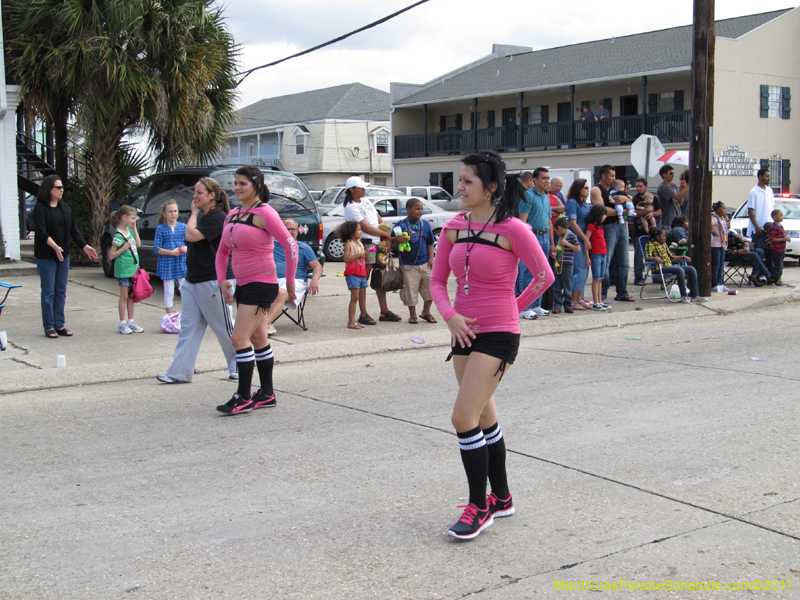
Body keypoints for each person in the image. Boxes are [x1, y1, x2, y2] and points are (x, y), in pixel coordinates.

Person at [430, 150, 553, 541]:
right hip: (463, 332)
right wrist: (450, 315)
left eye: (468, 181)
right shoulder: (453, 227)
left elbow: (544, 277)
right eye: (460, 180)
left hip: (499, 332)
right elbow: (437, 281)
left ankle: (479, 507)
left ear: (491, 187)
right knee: (483, 417)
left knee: (462, 417)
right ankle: (501, 497)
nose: (460, 187)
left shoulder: (514, 229)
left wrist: (511, 310)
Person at [214, 165, 298, 415]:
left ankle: (243, 396)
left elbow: (291, 246)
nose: (237, 188)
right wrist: (222, 280)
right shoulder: (233, 214)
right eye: (235, 183)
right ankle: (267, 394)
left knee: (238, 338)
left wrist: (290, 282)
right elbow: (222, 251)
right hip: (243, 283)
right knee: (258, 338)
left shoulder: (266, 213)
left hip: (262, 284)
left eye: (243, 183)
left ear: (257, 185)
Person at [157, 177, 239, 384]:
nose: (194, 196)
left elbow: (191, 236)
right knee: (188, 329)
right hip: (192, 280)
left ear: (211, 195)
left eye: (199, 192)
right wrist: (196, 215)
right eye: (195, 192)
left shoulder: (218, 217)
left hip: (214, 280)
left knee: (224, 328)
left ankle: (240, 364)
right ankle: (179, 372)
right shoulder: (204, 216)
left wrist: (193, 214)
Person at [31, 174, 98, 338]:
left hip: (63, 255)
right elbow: (41, 232)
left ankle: (59, 324)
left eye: (62, 187)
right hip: (46, 255)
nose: (62, 190)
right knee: (48, 292)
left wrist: (84, 246)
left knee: (60, 290)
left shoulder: (65, 208)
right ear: (49, 189)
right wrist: (55, 247)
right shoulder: (40, 208)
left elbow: (73, 230)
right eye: (58, 187)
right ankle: (49, 326)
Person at [341, 176, 400, 324]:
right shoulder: (351, 207)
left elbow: (379, 220)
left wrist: (385, 237)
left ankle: (384, 311)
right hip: (366, 244)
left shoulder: (366, 201)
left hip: (377, 242)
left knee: (380, 275)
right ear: (352, 189)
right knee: (363, 279)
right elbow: (366, 228)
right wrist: (386, 235)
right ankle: (363, 313)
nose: (364, 190)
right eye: (360, 188)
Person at [266, 218, 323, 333]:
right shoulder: (271, 245)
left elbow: (317, 267)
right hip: (272, 279)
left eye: (292, 229)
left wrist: (315, 279)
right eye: (286, 229)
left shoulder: (304, 248)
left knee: (281, 293)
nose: (290, 232)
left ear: (297, 231)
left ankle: (263, 325)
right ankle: (265, 325)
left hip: (295, 281)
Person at [591, 165, 633, 303]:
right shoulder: (597, 190)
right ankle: (602, 293)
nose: (614, 179)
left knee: (624, 262)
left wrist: (626, 200)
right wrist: (622, 212)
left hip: (621, 226)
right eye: (611, 176)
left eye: (615, 176)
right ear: (603, 176)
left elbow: (628, 202)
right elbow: (601, 209)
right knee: (606, 261)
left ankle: (622, 292)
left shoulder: (615, 190)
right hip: (608, 227)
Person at [519, 167, 555, 319]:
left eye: (548, 178)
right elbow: (523, 220)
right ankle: (525, 307)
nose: (547, 181)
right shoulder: (528, 196)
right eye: (544, 178)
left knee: (542, 273)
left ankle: (536, 305)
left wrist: (552, 243)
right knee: (529, 272)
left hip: (545, 236)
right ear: (535, 180)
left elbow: (549, 221)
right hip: (533, 237)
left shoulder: (545, 197)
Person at [395, 198, 436, 324]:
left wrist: (431, 258)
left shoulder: (425, 224)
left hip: (425, 262)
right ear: (408, 210)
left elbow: (430, 243)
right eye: (417, 209)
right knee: (410, 290)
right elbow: (391, 242)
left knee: (431, 288)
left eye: (421, 209)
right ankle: (412, 314)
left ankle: (426, 311)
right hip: (408, 264)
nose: (420, 211)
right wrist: (396, 239)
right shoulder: (400, 225)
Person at [645, 227, 707, 303]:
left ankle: (695, 295)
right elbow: (648, 258)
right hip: (660, 268)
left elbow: (671, 258)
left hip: (670, 266)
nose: (665, 238)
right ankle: (684, 295)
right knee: (679, 269)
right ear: (657, 237)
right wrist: (655, 258)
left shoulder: (664, 244)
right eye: (663, 236)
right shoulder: (650, 244)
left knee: (691, 269)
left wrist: (682, 257)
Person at [108, 206, 144, 334]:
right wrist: (124, 247)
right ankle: (122, 323)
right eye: (132, 218)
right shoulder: (118, 235)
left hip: (133, 269)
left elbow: (138, 244)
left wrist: (134, 228)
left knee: (131, 296)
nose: (134, 220)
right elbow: (111, 255)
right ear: (124, 217)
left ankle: (131, 321)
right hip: (123, 269)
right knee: (124, 296)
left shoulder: (129, 230)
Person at [153, 199, 187, 314]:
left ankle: (186, 315)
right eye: (170, 211)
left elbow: (190, 243)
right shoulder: (160, 228)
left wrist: (186, 248)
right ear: (164, 214)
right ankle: (169, 316)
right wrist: (171, 252)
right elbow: (157, 248)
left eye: (175, 211)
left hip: (181, 262)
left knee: (185, 289)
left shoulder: (183, 227)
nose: (173, 214)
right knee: (169, 291)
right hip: (167, 263)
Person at [565, 178, 593, 310]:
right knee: (579, 269)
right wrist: (585, 238)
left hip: (584, 239)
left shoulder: (585, 204)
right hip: (576, 239)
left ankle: (579, 298)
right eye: (585, 188)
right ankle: (573, 300)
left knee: (585, 269)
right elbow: (573, 223)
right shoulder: (572, 203)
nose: (588, 190)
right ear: (578, 189)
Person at [631, 178, 661, 285]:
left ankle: (657, 276)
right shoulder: (635, 199)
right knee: (639, 256)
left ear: (646, 187)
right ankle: (638, 278)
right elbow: (633, 213)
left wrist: (652, 214)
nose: (638, 188)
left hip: (653, 233)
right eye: (637, 186)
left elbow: (659, 210)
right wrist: (645, 211)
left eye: (640, 186)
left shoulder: (653, 197)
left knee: (654, 254)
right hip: (639, 232)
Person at [341, 221, 368, 329]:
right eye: (358, 230)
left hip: (361, 273)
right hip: (352, 274)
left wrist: (366, 254)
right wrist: (359, 254)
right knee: (354, 297)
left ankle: (354, 320)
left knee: (361, 297)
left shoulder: (360, 243)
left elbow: (364, 259)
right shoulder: (349, 244)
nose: (361, 232)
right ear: (351, 231)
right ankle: (351, 322)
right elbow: (346, 259)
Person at [552, 218, 582, 314]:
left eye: (556, 230)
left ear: (559, 228)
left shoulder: (571, 235)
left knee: (567, 285)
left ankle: (568, 304)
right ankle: (557, 304)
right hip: (559, 263)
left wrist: (567, 244)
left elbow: (578, 248)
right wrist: (555, 254)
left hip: (567, 265)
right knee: (557, 285)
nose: (556, 233)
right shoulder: (560, 237)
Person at [585, 204, 610, 311]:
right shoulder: (591, 226)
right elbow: (586, 242)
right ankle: (596, 302)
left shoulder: (600, 227)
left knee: (600, 278)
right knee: (596, 278)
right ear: (597, 214)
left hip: (603, 253)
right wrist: (587, 257)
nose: (605, 217)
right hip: (595, 254)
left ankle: (600, 301)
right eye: (603, 214)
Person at [746, 168, 776, 252]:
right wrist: (756, 227)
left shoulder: (769, 191)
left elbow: (772, 208)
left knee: (770, 254)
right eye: (767, 176)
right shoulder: (754, 192)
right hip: (759, 229)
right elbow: (750, 210)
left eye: (769, 176)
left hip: (770, 229)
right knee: (760, 253)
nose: (769, 178)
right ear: (760, 176)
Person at [656, 164, 688, 231]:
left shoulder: (673, 185)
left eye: (673, 173)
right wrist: (689, 186)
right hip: (668, 222)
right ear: (664, 174)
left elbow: (681, 202)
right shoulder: (662, 187)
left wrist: (683, 189)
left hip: (677, 221)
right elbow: (677, 197)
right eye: (670, 173)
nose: (672, 175)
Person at [710, 202, 730, 292]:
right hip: (715, 245)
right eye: (723, 209)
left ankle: (720, 282)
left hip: (722, 244)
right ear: (718, 210)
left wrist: (727, 220)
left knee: (721, 265)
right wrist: (713, 231)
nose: (725, 211)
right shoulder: (714, 218)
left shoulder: (722, 219)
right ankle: (714, 283)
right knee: (716, 265)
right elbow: (708, 224)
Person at [766, 209, 789, 284]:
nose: (782, 217)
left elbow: (781, 235)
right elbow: (772, 239)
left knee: (780, 265)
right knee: (777, 266)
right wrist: (783, 239)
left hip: (782, 249)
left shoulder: (780, 226)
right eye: (780, 215)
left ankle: (778, 279)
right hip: (777, 250)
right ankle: (775, 280)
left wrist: (786, 236)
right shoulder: (774, 227)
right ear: (774, 217)